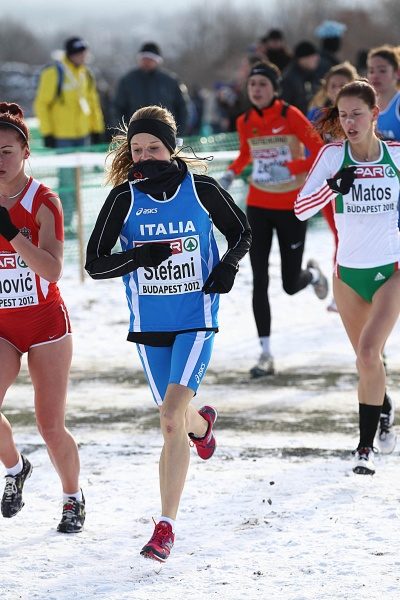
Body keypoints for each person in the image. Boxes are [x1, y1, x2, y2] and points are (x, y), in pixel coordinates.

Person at [85, 105, 251, 562]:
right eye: (136, 150)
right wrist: (140, 257)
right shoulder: (124, 197)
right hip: (149, 325)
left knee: (170, 416)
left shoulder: (201, 190)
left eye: (153, 147)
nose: (144, 156)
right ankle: (204, 426)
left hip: (196, 316)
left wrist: (227, 267)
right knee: (177, 419)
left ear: (171, 147)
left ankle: (166, 526)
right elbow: (95, 264)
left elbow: (241, 232)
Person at [295, 80, 399, 474]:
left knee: (371, 353)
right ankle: (384, 407)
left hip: (392, 272)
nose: (350, 122)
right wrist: (331, 187)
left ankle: (364, 449)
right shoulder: (332, 157)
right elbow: (301, 209)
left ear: (375, 114)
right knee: (366, 362)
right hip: (348, 276)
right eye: (343, 115)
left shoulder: (396, 156)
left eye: (357, 113)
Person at [0, 102, 85, 531]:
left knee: (50, 425)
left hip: (46, 324)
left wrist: (12, 233)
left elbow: (52, 270)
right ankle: (15, 469)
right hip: (3, 327)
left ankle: (72, 496)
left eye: (6, 151)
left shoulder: (43, 201)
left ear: (25, 152)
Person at [219, 61, 325, 378]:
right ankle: (265, 352)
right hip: (258, 206)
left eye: (263, 85)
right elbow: (246, 153)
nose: (257, 90)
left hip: (292, 206)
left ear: (274, 89)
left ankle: (313, 276)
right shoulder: (245, 120)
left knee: (290, 284)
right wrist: (232, 172)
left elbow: (319, 151)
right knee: (259, 279)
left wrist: (290, 169)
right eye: (253, 85)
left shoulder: (289, 115)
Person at [33, 36, 105, 231]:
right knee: (66, 181)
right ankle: (62, 224)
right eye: (78, 52)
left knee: (78, 181)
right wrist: (47, 132)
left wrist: (97, 129)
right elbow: (42, 103)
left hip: (82, 135)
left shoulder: (86, 74)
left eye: (84, 52)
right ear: (70, 53)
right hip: (62, 136)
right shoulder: (54, 72)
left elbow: (93, 104)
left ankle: (70, 222)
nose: (82, 56)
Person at [307, 61, 358, 312]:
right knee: (340, 236)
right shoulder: (318, 116)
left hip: (359, 185)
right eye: (333, 86)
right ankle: (340, 293)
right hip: (331, 187)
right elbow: (309, 150)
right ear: (326, 89)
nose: (338, 89)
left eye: (343, 85)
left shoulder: (360, 113)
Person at [113, 42, 190, 136]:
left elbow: (182, 108)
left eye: (150, 59)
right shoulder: (127, 81)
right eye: (144, 59)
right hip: (135, 133)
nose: (146, 62)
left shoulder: (171, 81)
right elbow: (117, 108)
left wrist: (178, 132)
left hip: (164, 132)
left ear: (157, 61)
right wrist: (122, 131)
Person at [367, 45, 400, 141]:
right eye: (371, 71)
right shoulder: (366, 104)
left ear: (397, 73)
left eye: (382, 70)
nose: (375, 76)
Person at [281, 41, 323, 115]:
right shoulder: (290, 79)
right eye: (313, 56)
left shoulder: (309, 75)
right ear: (303, 59)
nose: (317, 59)